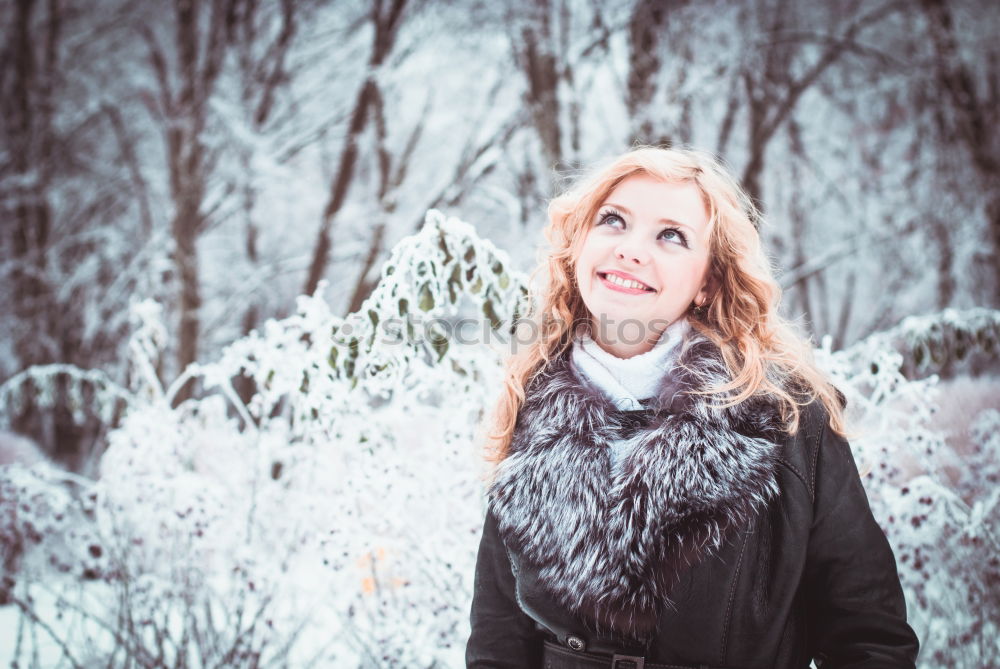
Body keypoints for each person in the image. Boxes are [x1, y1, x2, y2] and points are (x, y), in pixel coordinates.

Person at [465, 147, 919, 668]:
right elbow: (497, 645)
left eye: (671, 235)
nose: (631, 250)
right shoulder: (529, 404)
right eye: (613, 221)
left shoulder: (785, 416)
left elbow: (871, 639)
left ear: (708, 282)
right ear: (578, 246)